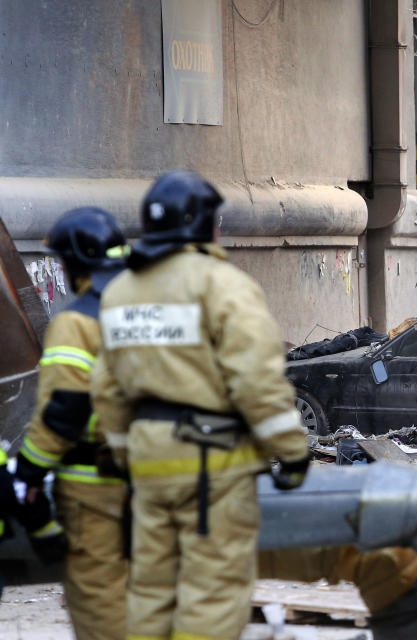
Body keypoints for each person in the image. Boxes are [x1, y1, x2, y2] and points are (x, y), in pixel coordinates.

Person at [91, 171, 309, 640]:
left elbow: (106, 391)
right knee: (211, 593)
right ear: (205, 225)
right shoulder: (222, 285)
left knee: (150, 590)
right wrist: (291, 453)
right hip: (213, 462)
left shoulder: (120, 293)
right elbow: (256, 380)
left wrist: (129, 455)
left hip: (149, 464)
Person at [15, 208, 129, 639]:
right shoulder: (164, 310)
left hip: (98, 487)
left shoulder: (77, 322)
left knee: (103, 614)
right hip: (175, 484)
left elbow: (65, 411)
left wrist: (28, 470)